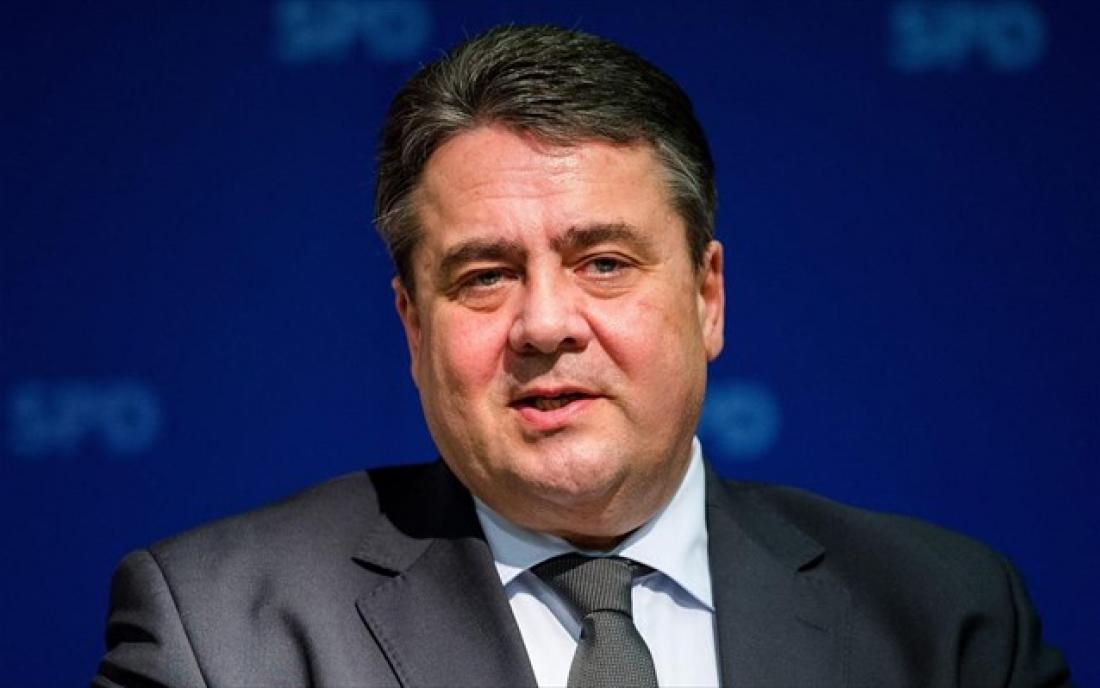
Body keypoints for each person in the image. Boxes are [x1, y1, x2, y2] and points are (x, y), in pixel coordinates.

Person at [93, 25, 1070, 688]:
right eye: (484, 276)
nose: (545, 324)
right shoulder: (218, 634)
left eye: (603, 263)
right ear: (412, 326)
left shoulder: (948, 620)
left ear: (707, 296)